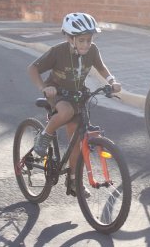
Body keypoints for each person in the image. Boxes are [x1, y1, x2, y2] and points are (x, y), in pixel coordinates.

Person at [28, 12, 121, 195]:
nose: (86, 44)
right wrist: (44, 88)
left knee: (77, 141)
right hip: (57, 92)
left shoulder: (92, 50)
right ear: (71, 39)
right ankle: (44, 135)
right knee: (65, 112)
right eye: (82, 40)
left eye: (89, 39)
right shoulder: (58, 52)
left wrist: (112, 81)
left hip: (78, 94)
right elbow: (32, 69)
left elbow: (101, 67)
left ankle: (72, 180)